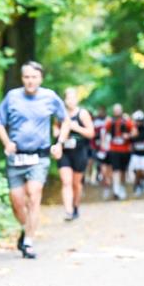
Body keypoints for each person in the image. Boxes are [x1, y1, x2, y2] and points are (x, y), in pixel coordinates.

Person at [0, 61, 69, 259]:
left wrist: (59, 143)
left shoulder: (49, 97)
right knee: (17, 202)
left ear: (40, 78)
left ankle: (28, 242)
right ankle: (26, 229)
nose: (30, 81)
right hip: (16, 156)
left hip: (39, 156)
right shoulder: (12, 97)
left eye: (34, 77)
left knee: (33, 195)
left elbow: (66, 120)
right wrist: (7, 142)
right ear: (22, 79)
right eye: (27, 77)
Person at [55, 87, 95, 220]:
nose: (70, 101)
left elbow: (91, 133)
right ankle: (68, 211)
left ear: (77, 99)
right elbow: (55, 129)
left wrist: (75, 127)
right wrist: (57, 133)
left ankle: (75, 206)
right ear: (64, 100)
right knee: (66, 182)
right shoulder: (60, 114)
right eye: (68, 98)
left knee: (76, 184)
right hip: (64, 152)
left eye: (73, 98)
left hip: (79, 152)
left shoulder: (82, 114)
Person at [103, 103, 134, 200]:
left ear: (121, 110)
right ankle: (116, 190)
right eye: (115, 110)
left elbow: (134, 131)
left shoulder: (127, 121)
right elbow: (104, 132)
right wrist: (105, 144)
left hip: (125, 150)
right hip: (114, 149)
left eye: (118, 110)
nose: (117, 112)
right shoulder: (110, 122)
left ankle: (122, 188)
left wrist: (128, 136)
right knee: (115, 170)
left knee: (123, 171)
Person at [128, 110, 144, 195]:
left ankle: (142, 182)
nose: (138, 122)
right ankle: (137, 186)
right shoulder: (132, 130)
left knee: (143, 172)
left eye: (140, 121)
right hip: (135, 154)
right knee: (137, 171)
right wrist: (131, 137)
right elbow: (129, 140)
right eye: (137, 121)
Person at [87, 104, 107, 186]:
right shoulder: (94, 120)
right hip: (93, 145)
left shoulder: (107, 120)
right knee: (91, 161)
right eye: (99, 110)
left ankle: (99, 177)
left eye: (101, 110)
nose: (100, 112)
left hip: (102, 145)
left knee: (101, 163)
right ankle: (89, 178)